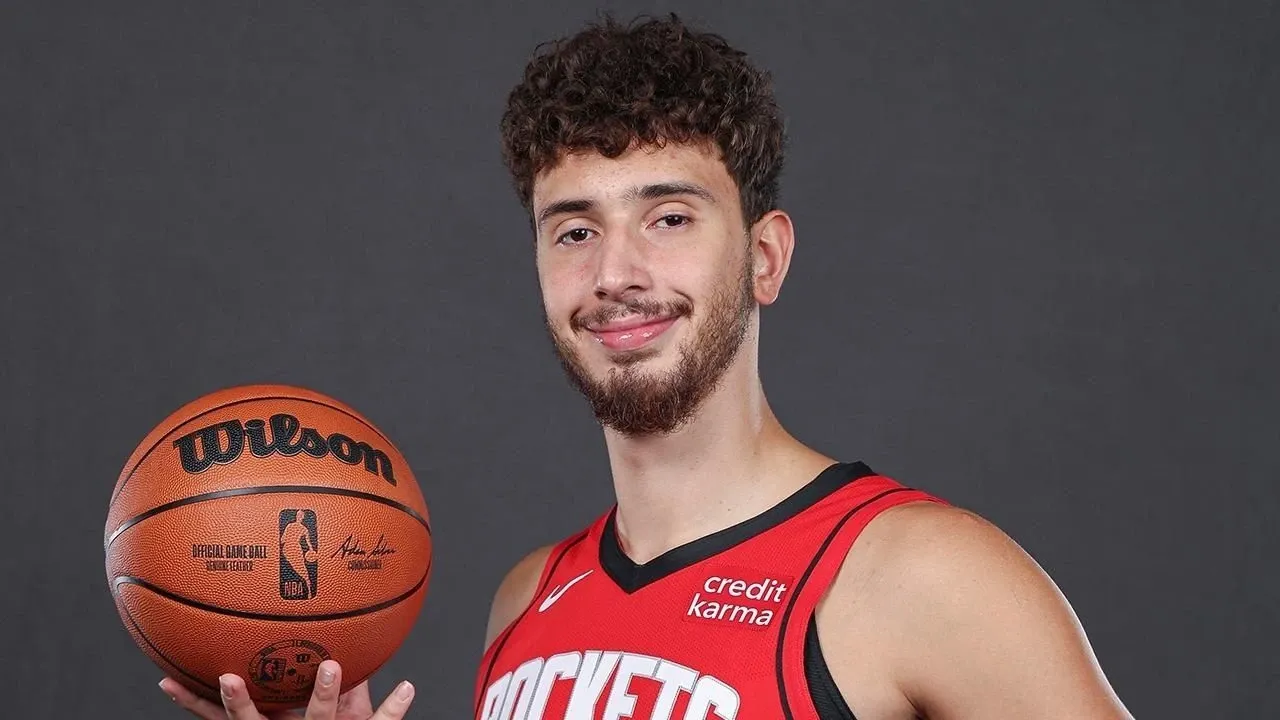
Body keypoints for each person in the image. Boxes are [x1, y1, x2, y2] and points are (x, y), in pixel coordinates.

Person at [160, 13, 1134, 720]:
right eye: (574, 230)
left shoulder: (921, 575)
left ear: (764, 258)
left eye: (668, 218)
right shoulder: (525, 603)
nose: (615, 275)